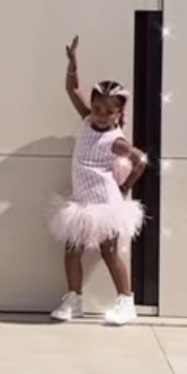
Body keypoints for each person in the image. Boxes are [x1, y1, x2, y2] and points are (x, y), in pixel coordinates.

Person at [50, 35, 148, 327]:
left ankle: (126, 302)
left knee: (109, 253)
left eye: (109, 111)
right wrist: (73, 64)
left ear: (119, 113)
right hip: (82, 202)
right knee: (71, 252)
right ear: (91, 107)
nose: (101, 116)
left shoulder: (115, 140)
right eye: (97, 109)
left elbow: (141, 160)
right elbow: (72, 89)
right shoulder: (87, 121)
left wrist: (125, 186)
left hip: (105, 204)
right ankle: (74, 299)